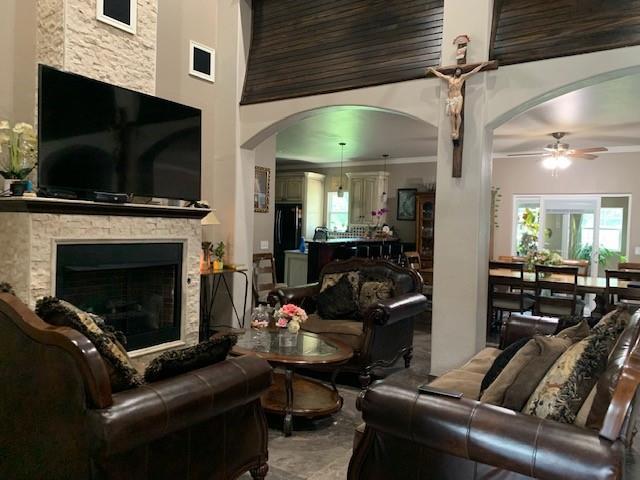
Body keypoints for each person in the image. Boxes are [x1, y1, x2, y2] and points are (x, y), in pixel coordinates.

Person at [428, 62, 490, 141]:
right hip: (451, 98)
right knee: (453, 113)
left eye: (459, 71)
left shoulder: (462, 78)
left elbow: (472, 72)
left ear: (461, 72)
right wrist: (433, 70)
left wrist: (481, 66)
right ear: (455, 72)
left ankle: (457, 130)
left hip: (458, 97)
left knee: (457, 113)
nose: (458, 72)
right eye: (457, 71)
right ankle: (453, 129)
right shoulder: (449, 79)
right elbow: (440, 75)